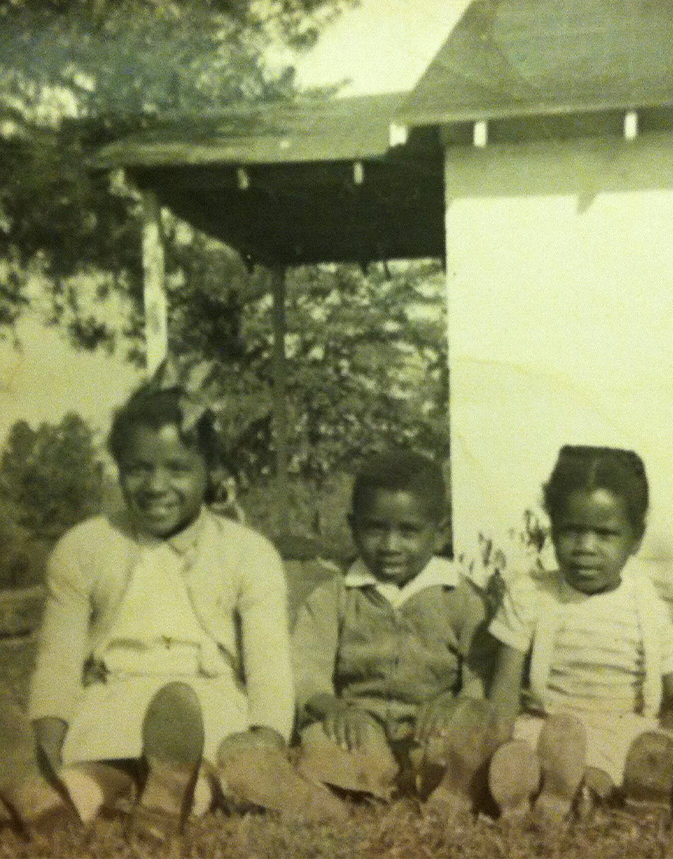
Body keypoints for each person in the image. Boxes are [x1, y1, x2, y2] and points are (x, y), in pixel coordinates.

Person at [0, 361, 345, 845]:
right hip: (116, 695)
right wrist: (47, 743)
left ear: (210, 473)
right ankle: (47, 796)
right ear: (119, 470)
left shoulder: (247, 552)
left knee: (206, 771)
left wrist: (263, 748)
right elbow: (58, 661)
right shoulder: (84, 547)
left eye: (177, 469)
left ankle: (168, 796)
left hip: (207, 700)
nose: (157, 486)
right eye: (138, 469)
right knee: (98, 769)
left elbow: (269, 667)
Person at [291, 451, 500, 818]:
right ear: (353, 526)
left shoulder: (462, 598)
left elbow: (482, 672)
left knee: (464, 744)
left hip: (430, 733)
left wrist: (457, 706)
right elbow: (305, 671)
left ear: (440, 533)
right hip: (359, 732)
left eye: (408, 531)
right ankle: (362, 783)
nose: (390, 545)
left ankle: (438, 781)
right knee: (320, 744)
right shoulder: (334, 596)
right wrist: (334, 709)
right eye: (375, 529)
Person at [487, 445, 673, 823]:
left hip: (620, 727)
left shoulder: (649, 603)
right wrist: (498, 743)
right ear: (552, 529)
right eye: (571, 531)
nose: (585, 548)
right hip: (548, 724)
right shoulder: (533, 593)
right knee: (524, 750)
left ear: (636, 538)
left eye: (605, 534)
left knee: (632, 755)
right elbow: (504, 687)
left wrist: (670, 734)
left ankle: (579, 793)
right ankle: (544, 788)